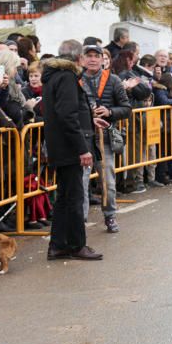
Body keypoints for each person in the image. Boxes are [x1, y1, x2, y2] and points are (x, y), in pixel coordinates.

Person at [42, 40, 102, 261]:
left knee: (65, 198)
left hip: (60, 145)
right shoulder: (67, 77)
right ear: (78, 58)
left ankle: (58, 245)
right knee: (74, 198)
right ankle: (77, 245)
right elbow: (68, 115)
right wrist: (82, 148)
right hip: (69, 148)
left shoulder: (53, 76)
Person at [80, 43, 131, 233]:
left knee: (107, 182)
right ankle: (81, 220)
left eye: (96, 56)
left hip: (105, 139)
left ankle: (110, 216)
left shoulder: (114, 80)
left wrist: (109, 111)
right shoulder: (76, 80)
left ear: (103, 59)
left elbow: (126, 109)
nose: (93, 59)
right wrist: (87, 116)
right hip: (83, 139)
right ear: (83, 59)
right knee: (81, 182)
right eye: (89, 55)